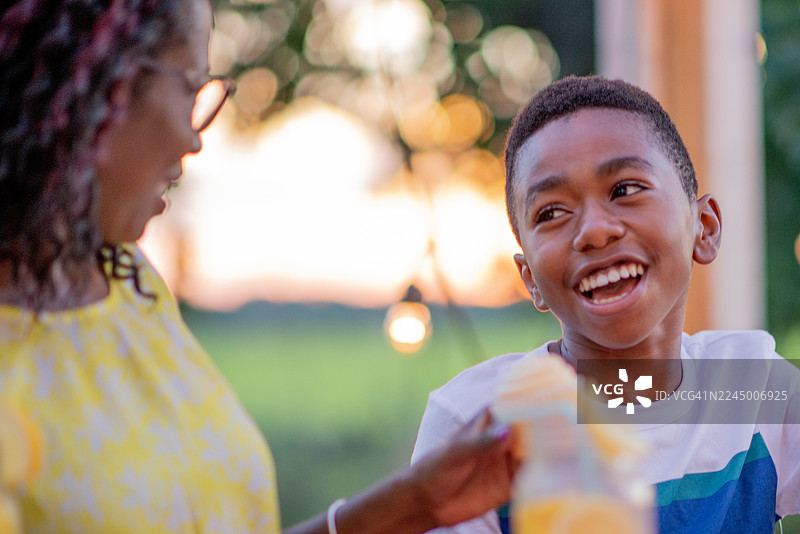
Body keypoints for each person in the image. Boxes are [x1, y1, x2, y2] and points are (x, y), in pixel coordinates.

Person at [0, 0, 517, 532]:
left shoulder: (128, 285)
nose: (194, 138)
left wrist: (412, 504)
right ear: (96, 81)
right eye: (190, 89)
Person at [411, 75, 800, 533]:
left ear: (704, 227)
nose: (594, 230)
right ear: (530, 279)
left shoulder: (751, 387)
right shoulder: (477, 420)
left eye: (625, 189)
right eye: (551, 213)